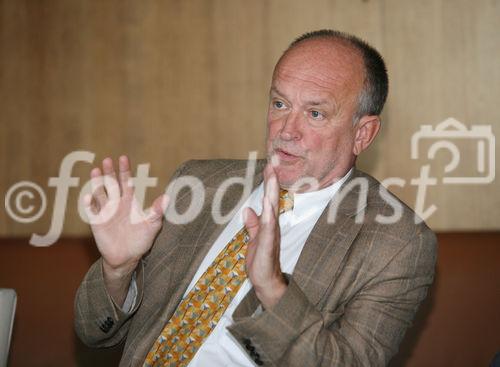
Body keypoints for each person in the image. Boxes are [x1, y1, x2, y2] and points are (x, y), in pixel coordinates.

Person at [75, 30, 437, 367]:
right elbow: (94, 332)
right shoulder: (200, 183)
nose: (286, 130)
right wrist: (119, 270)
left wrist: (271, 290)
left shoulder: (397, 242)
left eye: (314, 113)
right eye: (280, 104)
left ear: (363, 133)